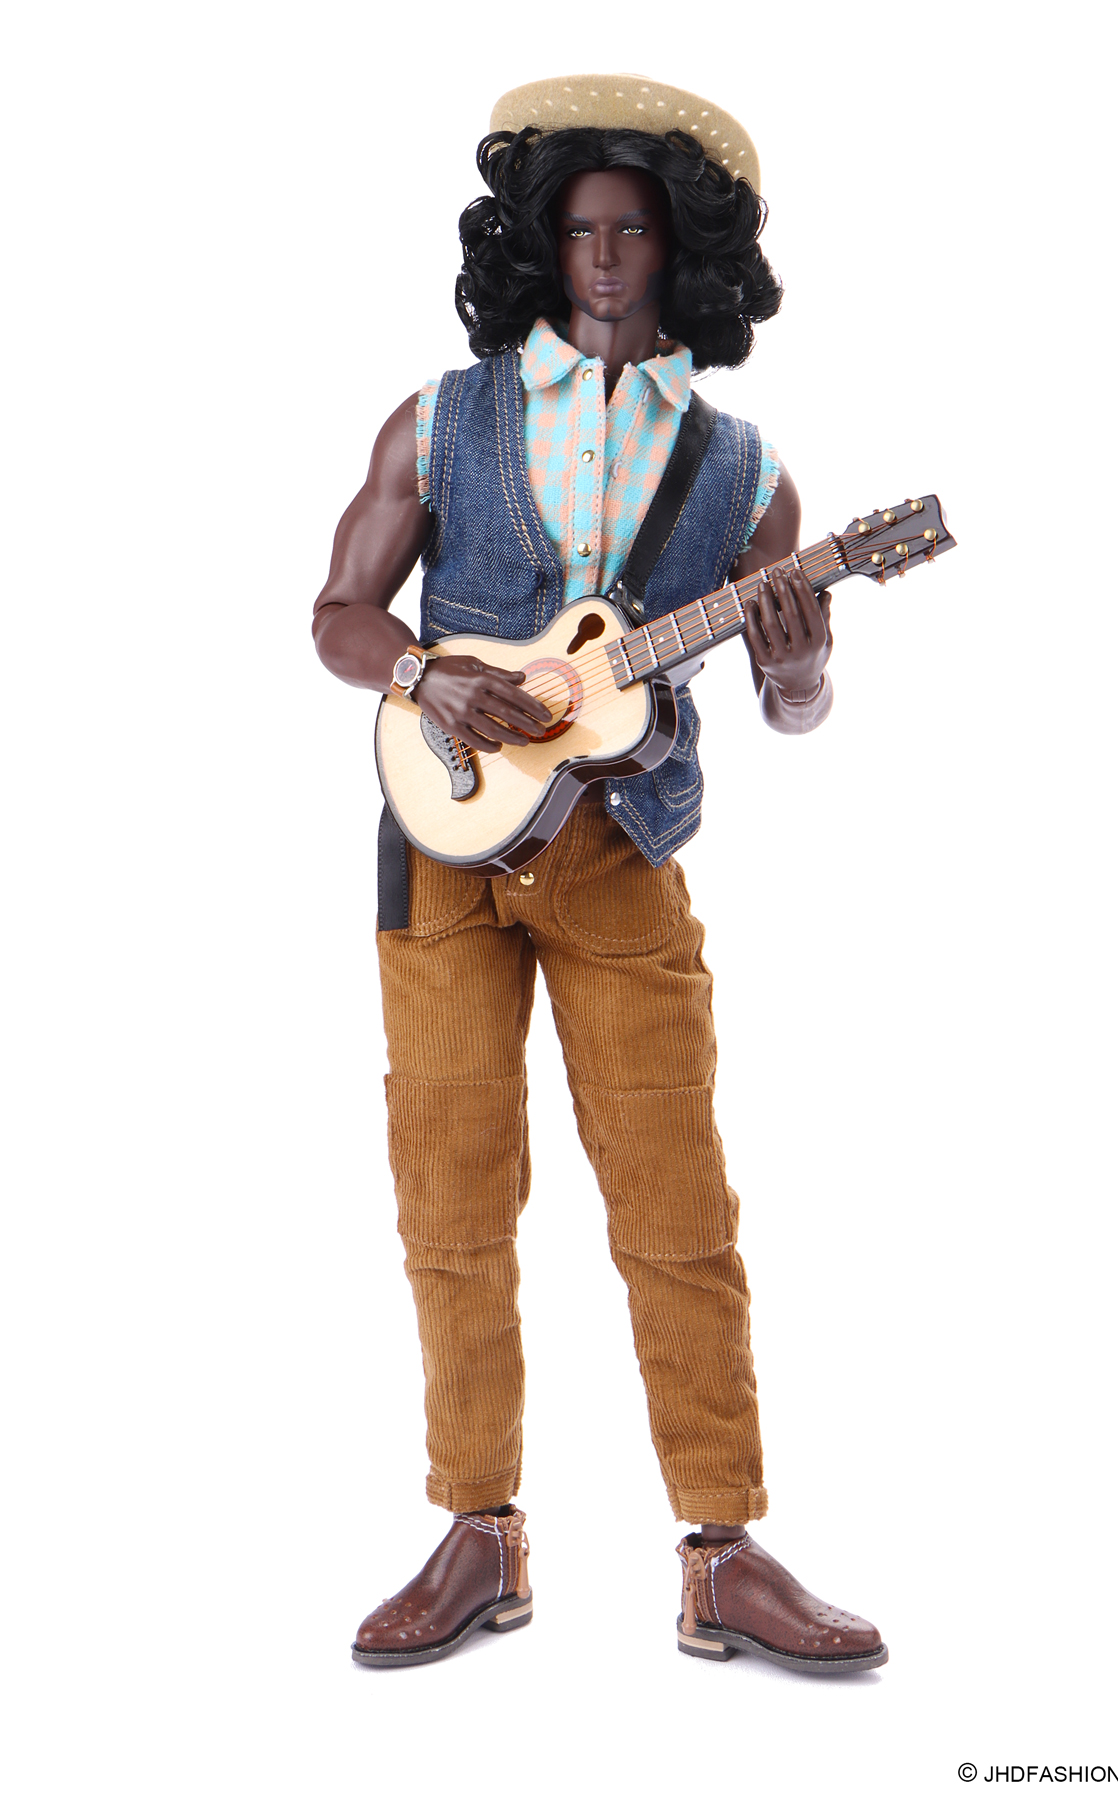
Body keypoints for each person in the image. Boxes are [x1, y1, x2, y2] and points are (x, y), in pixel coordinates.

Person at [312, 74, 886, 1674]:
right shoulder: (442, 417)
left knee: (677, 1203)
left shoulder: (745, 471)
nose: (609, 256)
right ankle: (476, 1532)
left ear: (683, 250)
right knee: (449, 1198)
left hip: (623, 856)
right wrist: (428, 676)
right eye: (582, 230)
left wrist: (801, 656)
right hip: (439, 852)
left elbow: (794, 709)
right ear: (542, 245)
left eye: (634, 230)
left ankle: (723, 1551)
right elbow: (336, 618)